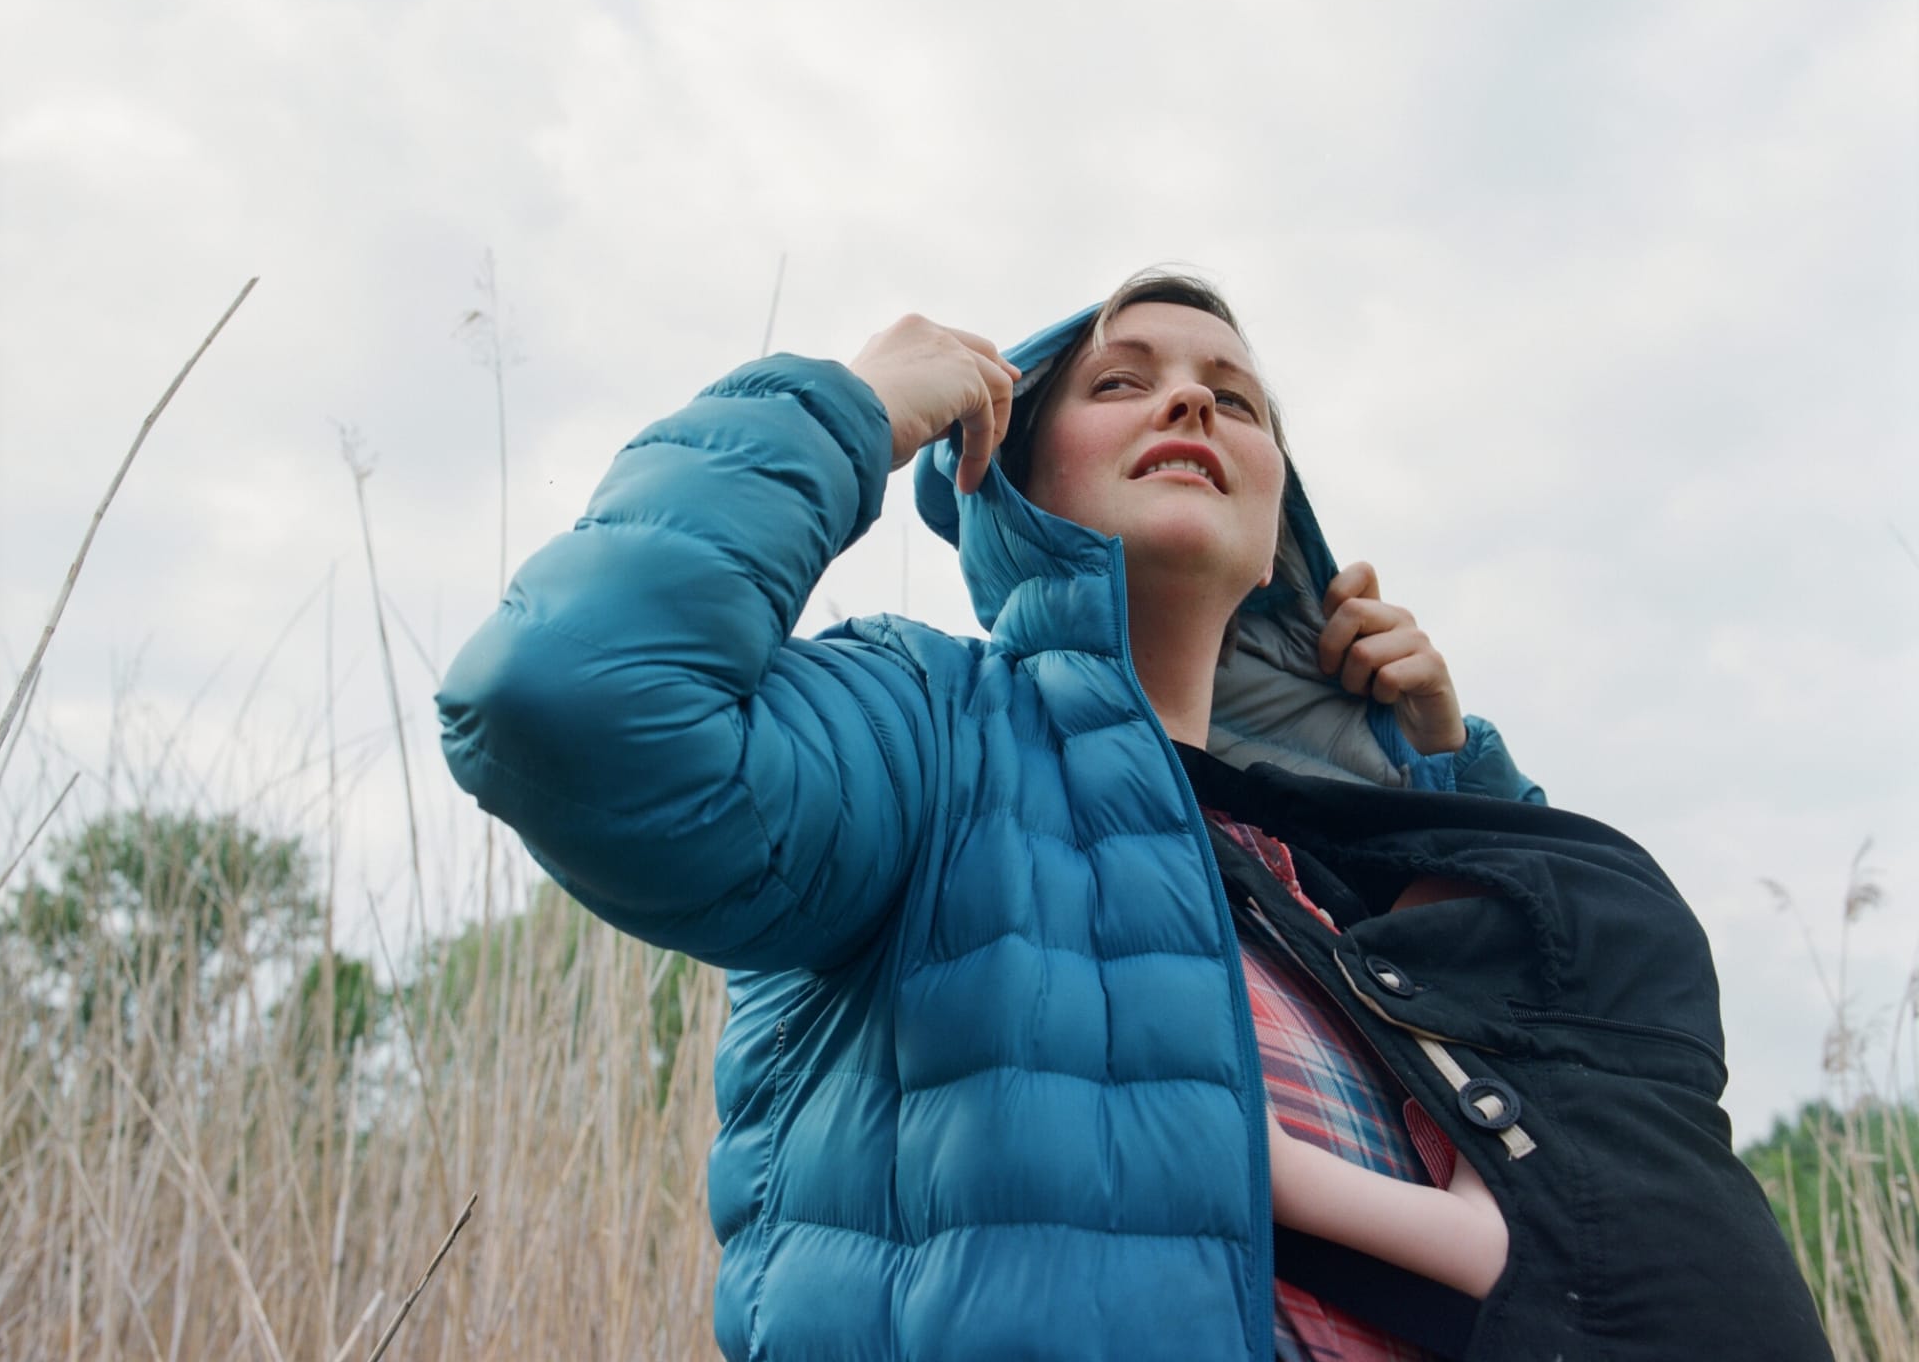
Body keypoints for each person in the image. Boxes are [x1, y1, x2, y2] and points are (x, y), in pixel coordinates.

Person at [439, 271, 1829, 1361]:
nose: (1193, 405)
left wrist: (1439, 780)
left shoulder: (1341, 869)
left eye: (1239, 396)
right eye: (1123, 378)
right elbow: (564, 705)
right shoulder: (928, 735)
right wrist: (844, 411)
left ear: (1286, 512)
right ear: (1005, 473)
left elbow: (1609, 1151)